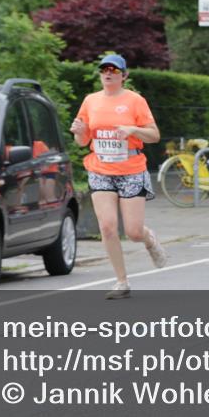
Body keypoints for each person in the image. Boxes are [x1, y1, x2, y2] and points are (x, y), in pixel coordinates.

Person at [70, 54, 167, 299]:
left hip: (131, 169)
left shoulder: (135, 101)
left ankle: (148, 238)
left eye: (114, 69)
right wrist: (80, 133)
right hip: (100, 168)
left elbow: (154, 135)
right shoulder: (90, 101)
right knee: (108, 227)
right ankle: (121, 281)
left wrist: (133, 130)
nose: (108, 73)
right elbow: (82, 141)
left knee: (132, 231)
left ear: (124, 75)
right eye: (104, 69)